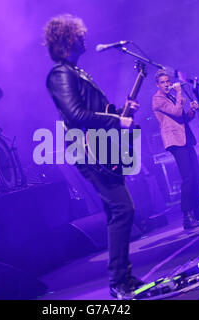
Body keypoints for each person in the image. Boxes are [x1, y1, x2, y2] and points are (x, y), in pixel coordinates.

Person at [44, 14, 142, 299]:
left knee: (116, 211)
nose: (85, 37)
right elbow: (75, 115)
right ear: (68, 39)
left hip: (101, 146)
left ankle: (122, 277)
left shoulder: (77, 72)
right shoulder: (60, 74)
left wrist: (122, 111)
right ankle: (118, 281)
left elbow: (97, 108)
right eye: (80, 34)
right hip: (88, 150)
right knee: (124, 209)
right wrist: (117, 122)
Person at [152, 71, 199, 230]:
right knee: (188, 177)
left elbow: (183, 117)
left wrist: (192, 110)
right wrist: (179, 91)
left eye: (168, 81)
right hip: (175, 141)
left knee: (196, 175)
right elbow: (175, 112)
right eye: (163, 82)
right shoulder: (158, 99)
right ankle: (187, 217)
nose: (167, 84)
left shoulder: (171, 97)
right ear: (157, 85)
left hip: (186, 138)